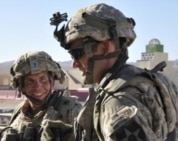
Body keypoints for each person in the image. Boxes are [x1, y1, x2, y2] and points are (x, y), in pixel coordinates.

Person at [49, 3, 178, 141]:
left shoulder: (117, 104)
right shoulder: (155, 81)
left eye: (77, 53)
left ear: (105, 48)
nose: (74, 63)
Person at [0, 50, 82, 141]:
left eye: (43, 79)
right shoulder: (19, 112)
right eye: (30, 81)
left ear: (51, 81)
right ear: (21, 86)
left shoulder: (71, 111)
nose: (38, 87)